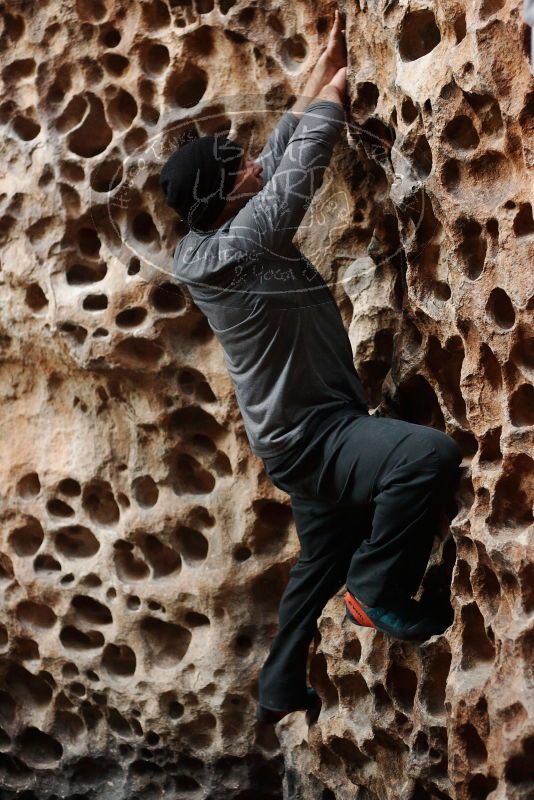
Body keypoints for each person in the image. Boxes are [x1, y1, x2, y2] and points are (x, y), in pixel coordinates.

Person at [159, 11, 463, 725]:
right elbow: (307, 152)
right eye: (240, 170)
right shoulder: (247, 243)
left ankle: (278, 684)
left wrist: (326, 64)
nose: (253, 164)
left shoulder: (217, 232)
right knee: (427, 457)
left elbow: (281, 142)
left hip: (292, 438)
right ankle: (376, 592)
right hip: (317, 435)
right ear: (227, 196)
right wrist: (351, 85)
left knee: (318, 555)